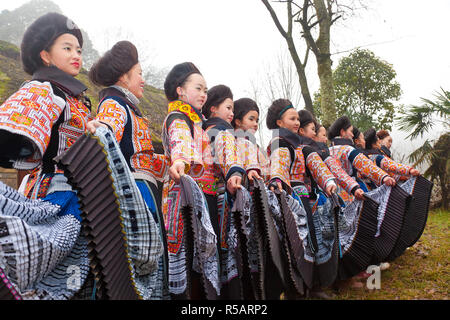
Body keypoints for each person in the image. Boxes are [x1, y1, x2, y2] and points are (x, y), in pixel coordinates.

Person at [0, 12, 93, 299]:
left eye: (78, 49)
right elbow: (10, 129)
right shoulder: (44, 90)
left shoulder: (79, 101)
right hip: (55, 195)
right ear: (45, 55)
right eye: (67, 47)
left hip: (89, 200)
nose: (76, 54)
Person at [86, 40, 169, 299]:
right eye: (140, 74)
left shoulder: (128, 106)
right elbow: (106, 131)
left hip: (144, 192)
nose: (143, 80)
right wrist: (100, 129)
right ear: (124, 77)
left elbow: (141, 156)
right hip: (135, 196)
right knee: (139, 267)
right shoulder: (114, 103)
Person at [161, 62, 221, 299]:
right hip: (186, 197)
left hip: (204, 197)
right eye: (198, 88)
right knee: (189, 260)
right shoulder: (178, 117)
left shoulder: (199, 122)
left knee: (202, 259)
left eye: (206, 89)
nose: (204, 94)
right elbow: (180, 141)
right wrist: (181, 160)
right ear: (180, 90)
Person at [232, 97, 269, 182]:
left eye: (257, 120)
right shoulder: (236, 142)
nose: (255, 124)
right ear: (238, 121)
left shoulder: (253, 144)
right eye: (251, 119)